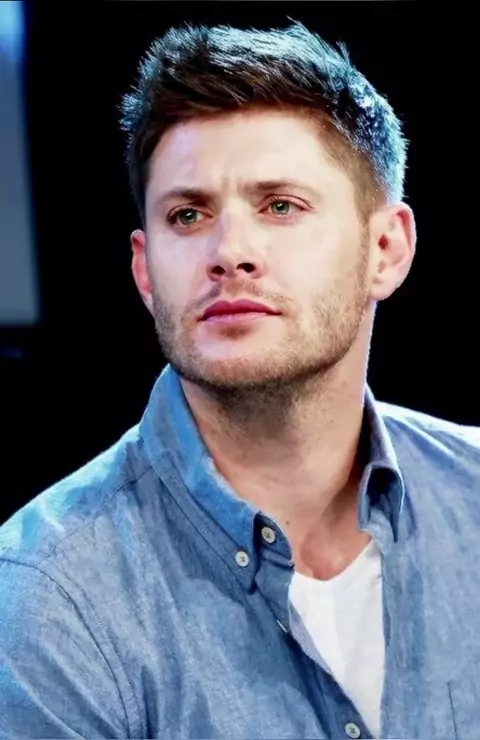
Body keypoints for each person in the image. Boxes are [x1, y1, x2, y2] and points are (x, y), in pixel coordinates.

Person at [0, 18, 479, 740]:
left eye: (280, 206)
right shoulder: (46, 593)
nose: (230, 251)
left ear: (385, 248)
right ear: (144, 271)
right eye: (188, 215)